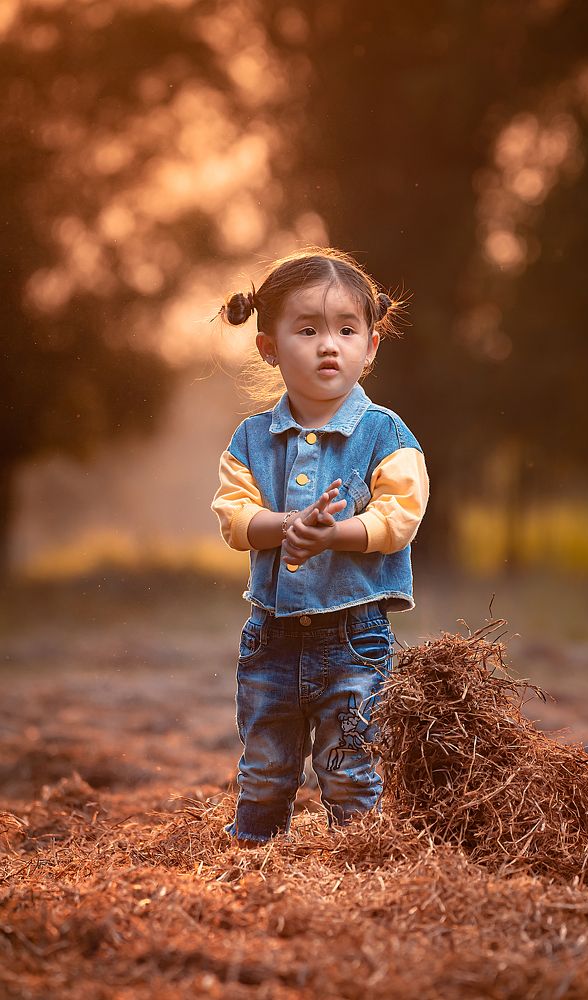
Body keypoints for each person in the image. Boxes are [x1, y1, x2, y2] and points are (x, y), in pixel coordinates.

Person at [211, 246, 429, 847]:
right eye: (307, 330)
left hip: (354, 637)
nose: (328, 345)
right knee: (265, 771)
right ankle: (252, 865)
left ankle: (359, 875)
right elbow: (234, 517)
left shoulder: (387, 434)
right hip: (271, 638)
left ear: (371, 345)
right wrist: (284, 526)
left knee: (351, 773)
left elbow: (399, 517)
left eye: (346, 330)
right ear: (269, 347)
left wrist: (333, 533)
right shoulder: (251, 438)